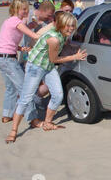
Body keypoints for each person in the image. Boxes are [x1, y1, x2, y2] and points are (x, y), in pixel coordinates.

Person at [5, 12, 87, 143]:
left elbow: (62, 47)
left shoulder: (62, 35)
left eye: (73, 26)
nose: (71, 28)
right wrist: (74, 57)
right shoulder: (54, 38)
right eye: (68, 26)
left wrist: (76, 47)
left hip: (48, 66)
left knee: (58, 95)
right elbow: (55, 58)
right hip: (35, 67)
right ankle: (13, 131)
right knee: (25, 99)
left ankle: (47, 123)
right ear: (61, 25)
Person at [0, 0, 41, 126]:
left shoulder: (9, 21)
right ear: (16, 9)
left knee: (11, 88)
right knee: (25, 89)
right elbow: (34, 35)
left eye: (27, 8)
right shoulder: (16, 21)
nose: (26, 11)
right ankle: (33, 119)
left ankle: (7, 115)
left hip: (0, 57)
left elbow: (7, 40)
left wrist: (20, 48)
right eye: (24, 9)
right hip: (8, 60)